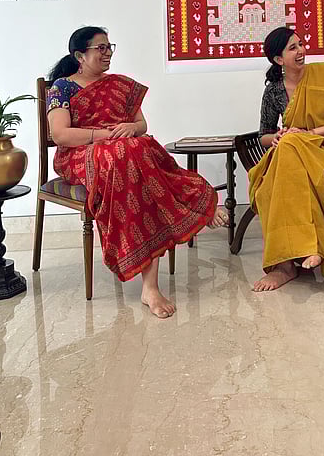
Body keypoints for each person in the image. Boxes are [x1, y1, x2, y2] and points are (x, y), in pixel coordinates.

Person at [47, 26, 227, 319]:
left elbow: (140, 126)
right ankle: (192, 207)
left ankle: (150, 287)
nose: (107, 54)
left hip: (123, 156)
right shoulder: (63, 88)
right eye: (100, 48)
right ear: (80, 55)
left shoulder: (121, 85)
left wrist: (131, 128)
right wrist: (102, 135)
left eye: (109, 47)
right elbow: (60, 135)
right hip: (80, 155)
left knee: (138, 151)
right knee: (128, 156)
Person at [249, 27, 324, 292]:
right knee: (278, 170)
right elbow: (264, 136)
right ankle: (304, 251)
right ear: (279, 60)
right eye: (293, 48)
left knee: (285, 158)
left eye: (301, 44)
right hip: (294, 152)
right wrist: (277, 138)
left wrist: (308, 134)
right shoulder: (274, 92)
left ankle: (286, 265)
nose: (302, 51)